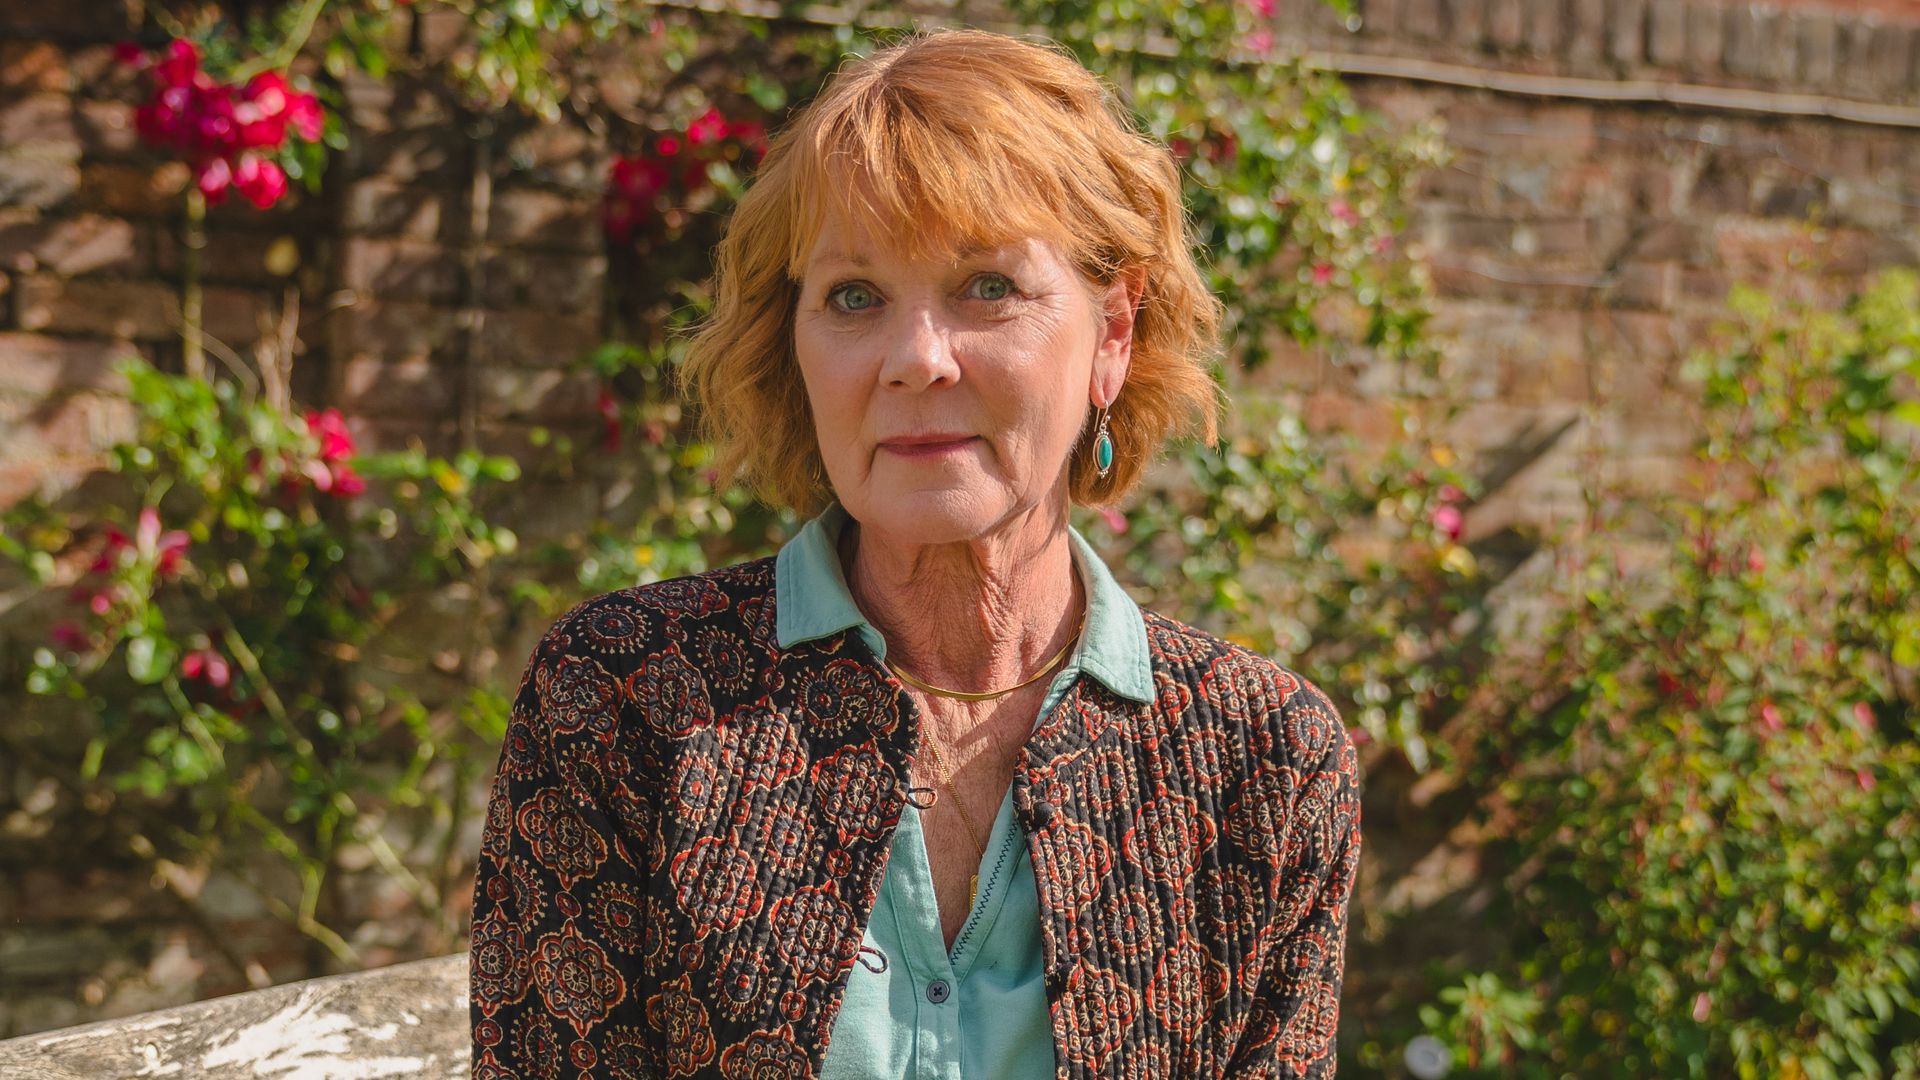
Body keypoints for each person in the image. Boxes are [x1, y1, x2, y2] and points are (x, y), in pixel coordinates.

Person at [469, 26, 1361, 1079]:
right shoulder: (626, 698)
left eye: (987, 286)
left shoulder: (1263, 761)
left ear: (1112, 335)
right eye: (855, 297)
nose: (915, 358)